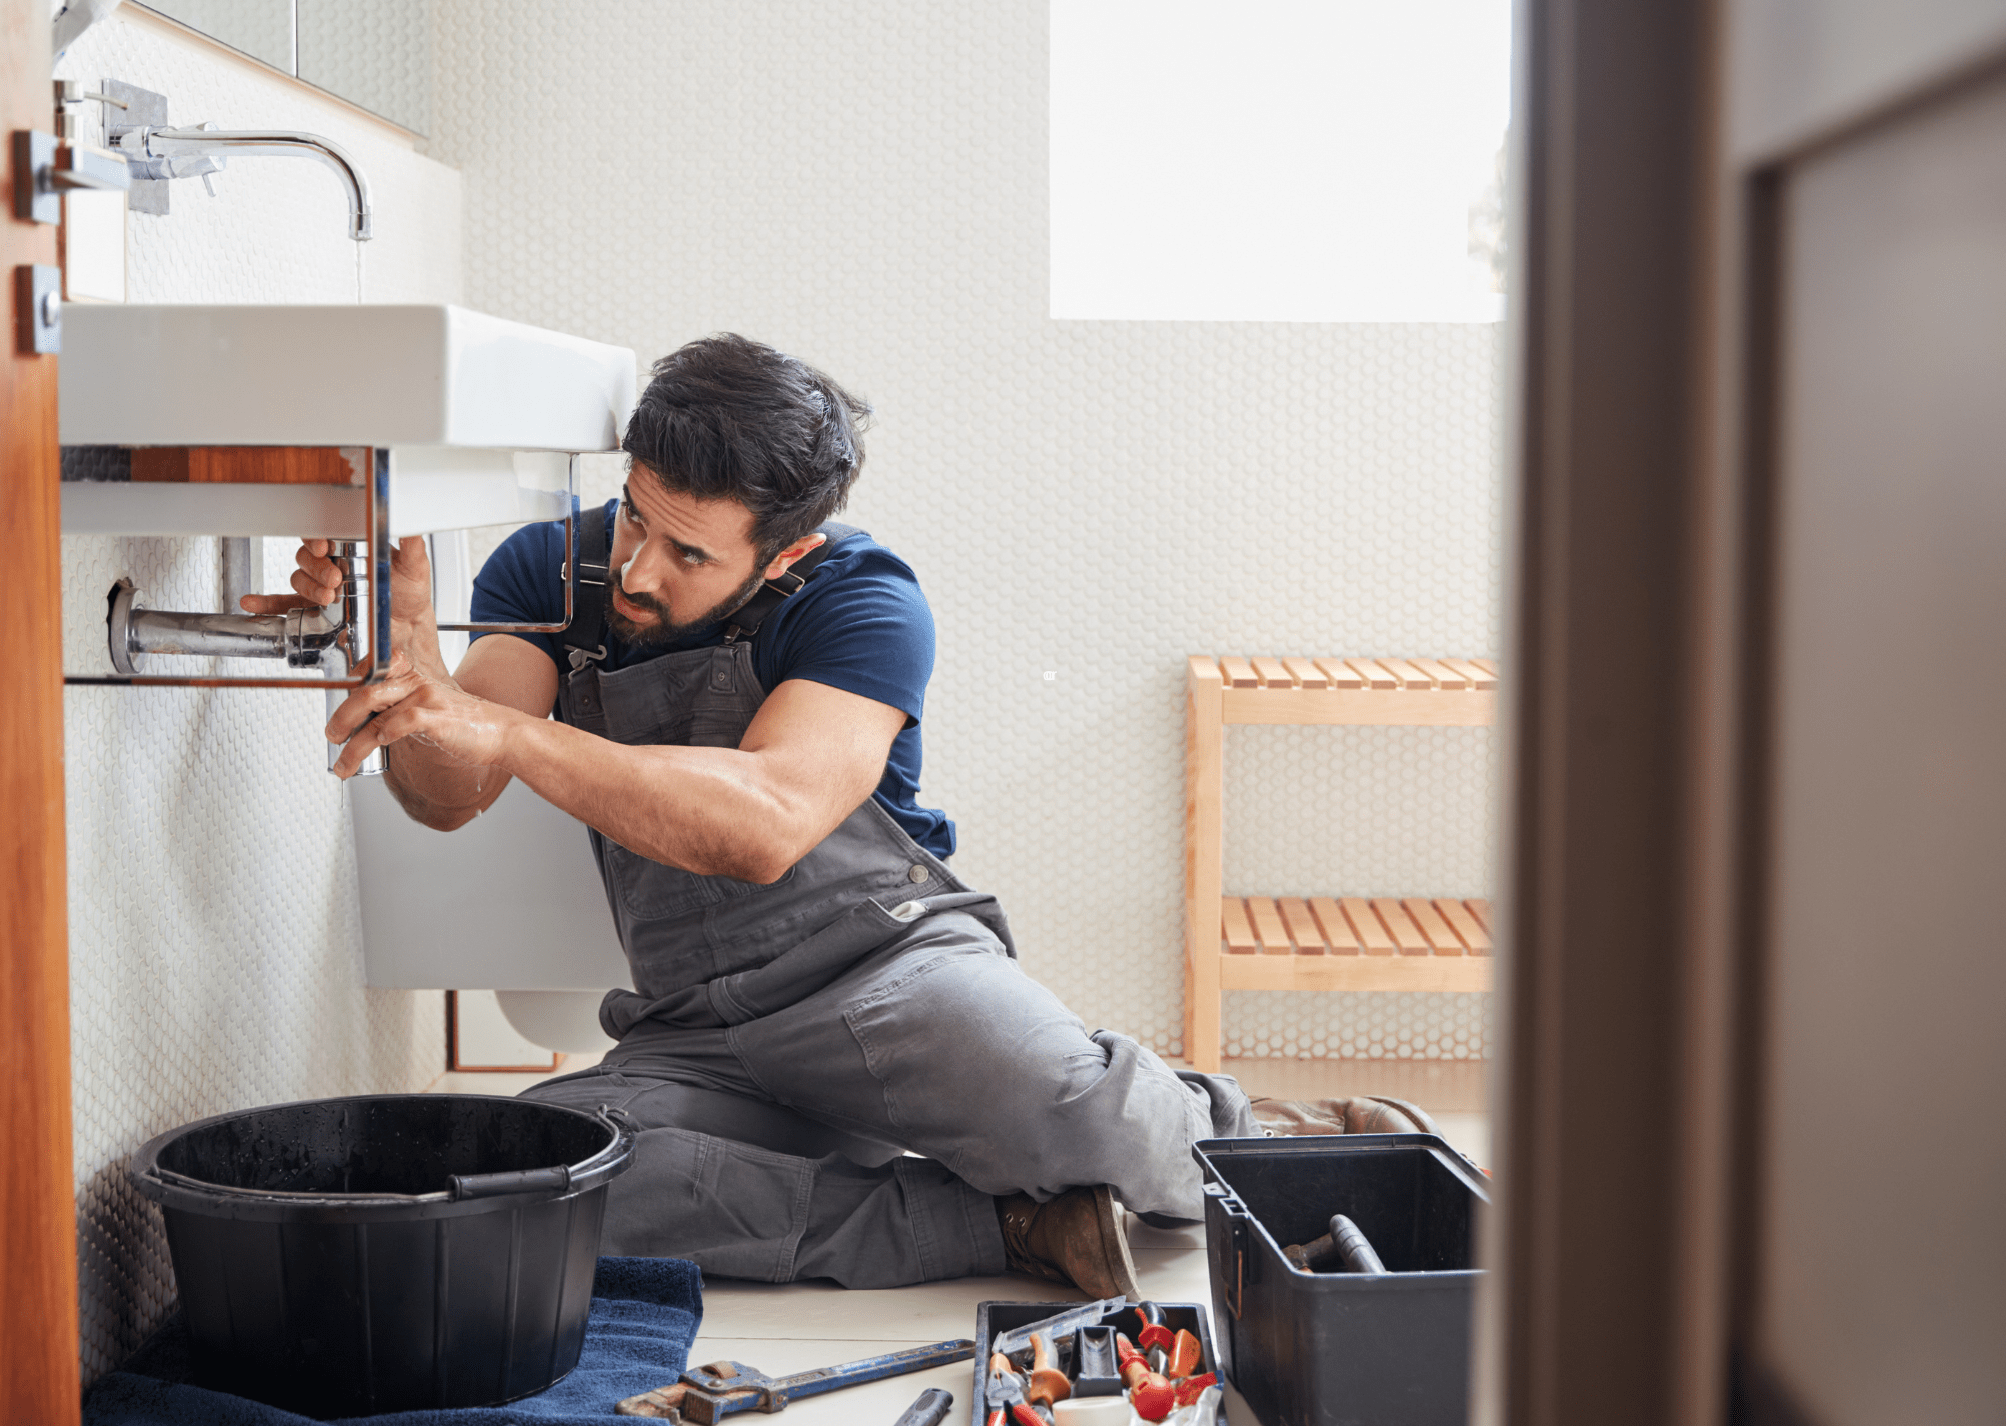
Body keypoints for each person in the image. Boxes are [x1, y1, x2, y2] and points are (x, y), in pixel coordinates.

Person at [260, 333, 1434, 1297]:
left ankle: (1249, 1129)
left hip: (888, 976)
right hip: (694, 1028)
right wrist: (414, 681)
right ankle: (1010, 1232)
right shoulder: (545, 573)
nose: (637, 573)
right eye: (633, 518)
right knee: (543, 1187)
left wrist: (513, 729)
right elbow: (450, 799)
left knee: (1090, 1122)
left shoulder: (865, 600)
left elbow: (765, 822)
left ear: (789, 553)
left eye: (689, 553)